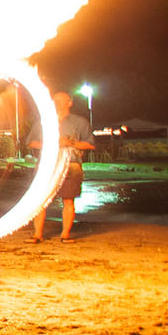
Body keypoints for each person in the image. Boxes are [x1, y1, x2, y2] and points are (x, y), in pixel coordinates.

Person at [30, 90, 96, 242]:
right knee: (40, 200)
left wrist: (70, 143)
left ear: (69, 103)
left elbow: (90, 144)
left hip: (70, 165)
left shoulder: (79, 122)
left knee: (68, 199)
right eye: (54, 100)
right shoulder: (43, 122)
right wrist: (53, 143)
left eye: (61, 100)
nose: (56, 103)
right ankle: (37, 234)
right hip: (47, 166)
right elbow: (32, 142)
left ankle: (65, 234)